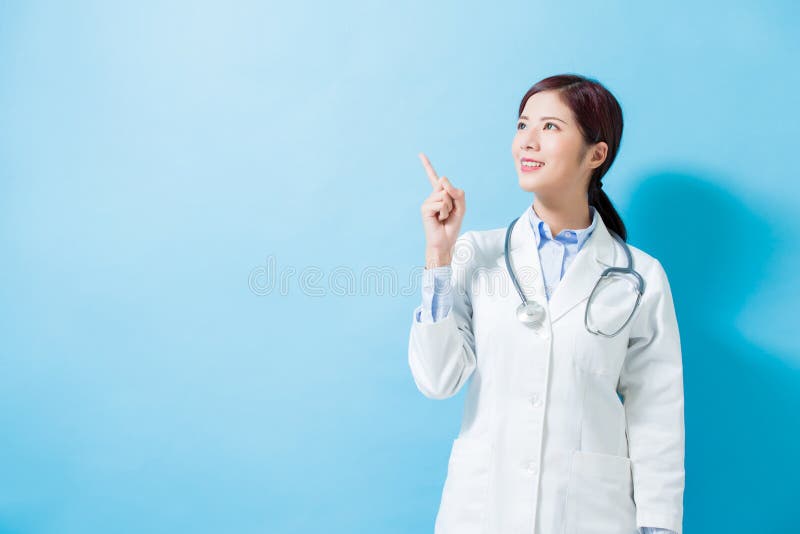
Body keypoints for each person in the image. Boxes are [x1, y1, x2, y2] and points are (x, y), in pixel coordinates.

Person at [408, 74, 684, 534]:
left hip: (589, 514)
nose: (527, 142)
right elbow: (437, 380)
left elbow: (657, 413)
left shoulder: (640, 276)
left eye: (551, 127)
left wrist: (657, 526)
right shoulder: (476, 253)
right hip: (482, 511)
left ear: (596, 154)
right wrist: (438, 255)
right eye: (522, 125)